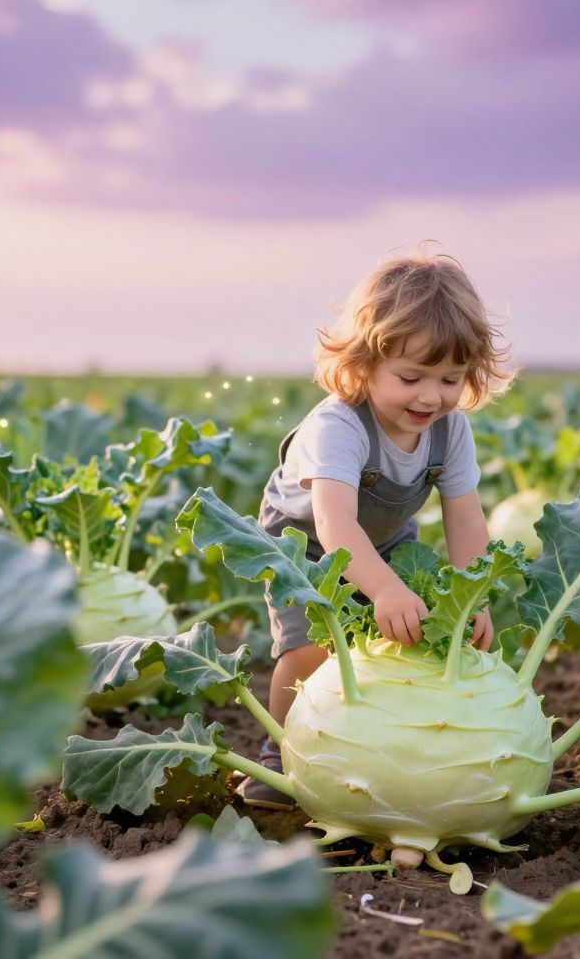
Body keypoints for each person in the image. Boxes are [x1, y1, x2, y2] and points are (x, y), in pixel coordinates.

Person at [240, 248, 515, 808]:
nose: (431, 397)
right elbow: (333, 519)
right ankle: (281, 751)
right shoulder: (339, 425)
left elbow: (465, 516)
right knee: (310, 645)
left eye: (450, 380)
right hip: (306, 543)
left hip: (388, 538)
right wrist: (385, 588)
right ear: (364, 365)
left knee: (400, 642)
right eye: (411, 377)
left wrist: (473, 598)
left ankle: (369, 746)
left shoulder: (450, 430)